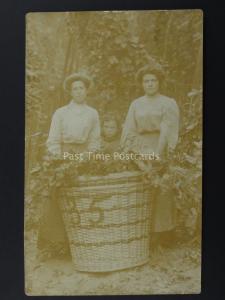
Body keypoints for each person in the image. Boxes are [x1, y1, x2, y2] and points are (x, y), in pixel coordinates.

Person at [38, 72, 101, 258]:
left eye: (82, 88)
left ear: (86, 90)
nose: (79, 91)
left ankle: (84, 243)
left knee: (85, 198)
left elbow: (95, 140)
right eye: (75, 88)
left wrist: (86, 158)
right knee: (57, 197)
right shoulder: (61, 113)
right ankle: (56, 243)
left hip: (85, 159)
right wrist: (60, 160)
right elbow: (54, 139)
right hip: (63, 159)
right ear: (70, 92)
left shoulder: (92, 113)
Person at [120, 64, 180, 249]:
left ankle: (164, 234)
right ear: (142, 84)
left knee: (162, 189)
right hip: (141, 148)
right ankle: (142, 234)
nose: (150, 84)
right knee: (142, 189)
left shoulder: (168, 103)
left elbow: (170, 129)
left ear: (159, 82)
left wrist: (161, 153)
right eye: (146, 81)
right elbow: (129, 129)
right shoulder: (136, 104)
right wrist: (134, 153)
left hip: (160, 148)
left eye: (153, 80)